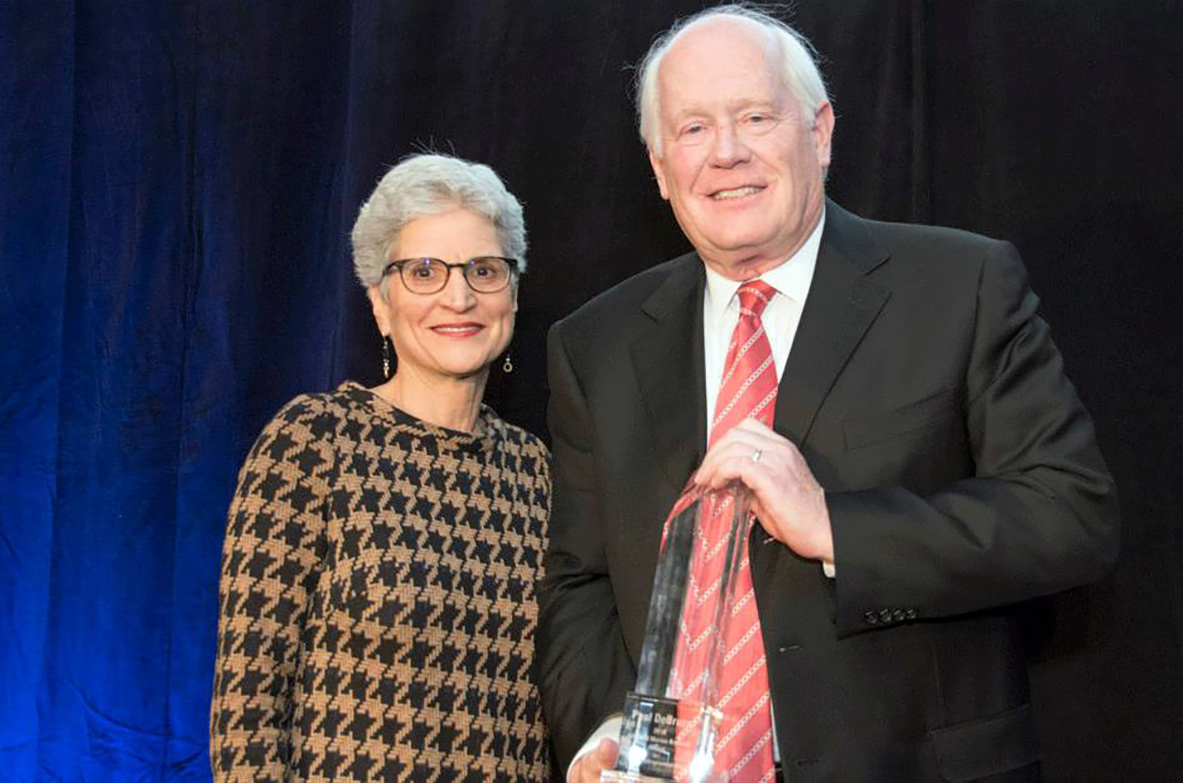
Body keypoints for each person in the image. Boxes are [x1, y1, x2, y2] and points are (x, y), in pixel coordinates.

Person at [538, 6, 1119, 783]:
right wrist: (612, 727)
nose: (727, 153)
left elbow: (1070, 516)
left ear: (819, 132)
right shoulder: (593, 344)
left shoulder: (958, 287)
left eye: (753, 116)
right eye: (693, 130)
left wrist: (835, 527)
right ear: (658, 166)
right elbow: (579, 584)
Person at [210, 153, 552, 782]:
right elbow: (247, 711)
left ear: (512, 292)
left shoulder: (538, 471)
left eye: (484, 269)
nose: (460, 295)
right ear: (379, 303)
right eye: (424, 271)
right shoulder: (313, 442)